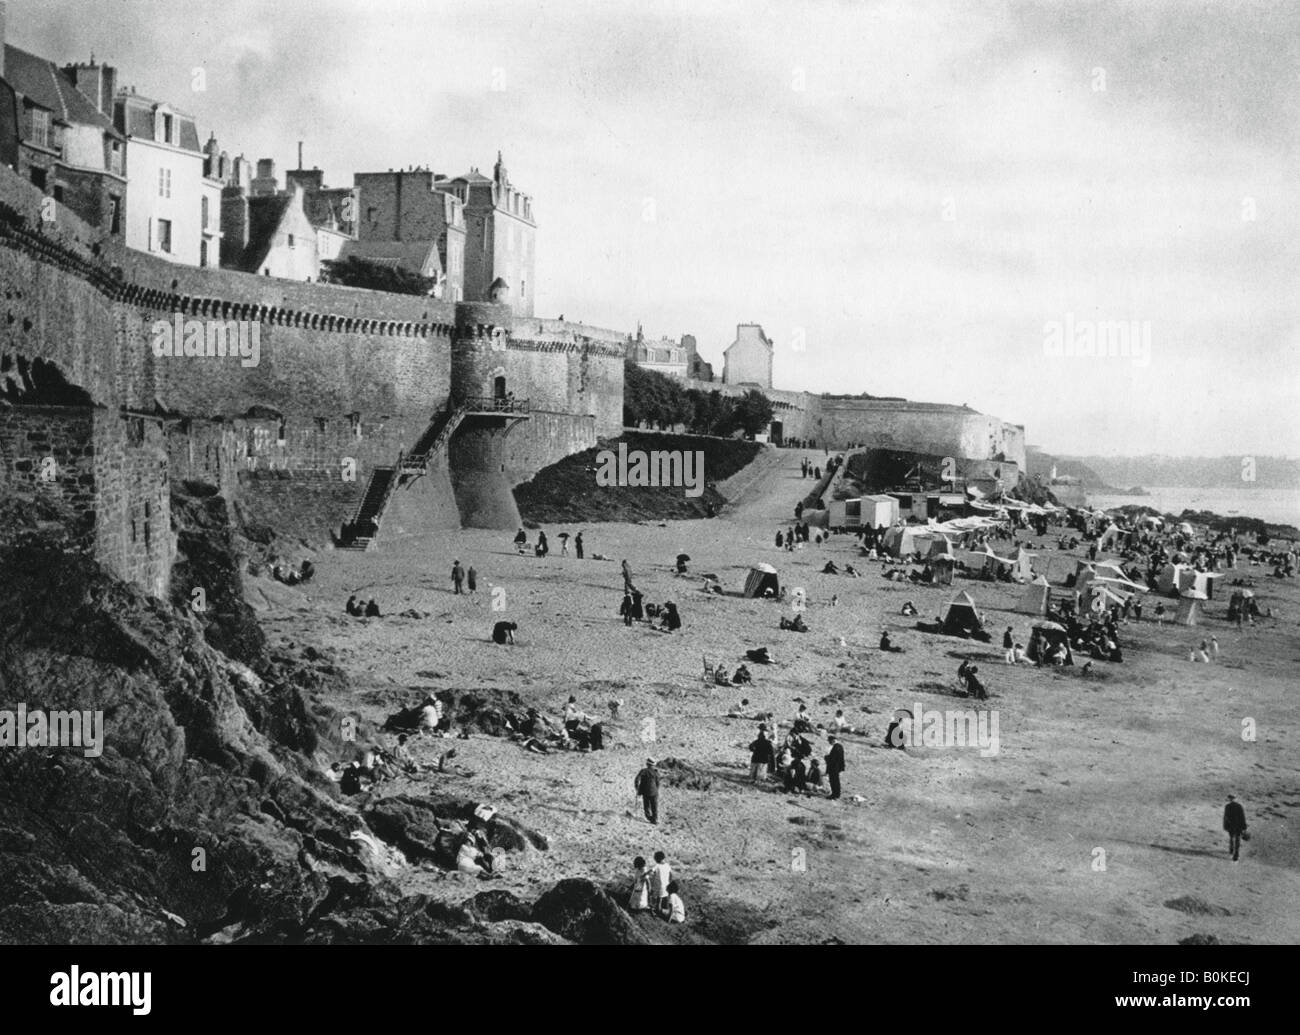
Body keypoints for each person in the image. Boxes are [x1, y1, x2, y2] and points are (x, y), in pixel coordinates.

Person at [635, 758, 660, 824]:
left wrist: (637, 788)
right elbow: (658, 783)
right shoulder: (656, 772)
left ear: (647, 764)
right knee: (654, 806)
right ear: (653, 765)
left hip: (645, 792)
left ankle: (650, 818)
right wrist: (656, 789)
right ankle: (654, 819)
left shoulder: (643, 771)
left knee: (646, 806)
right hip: (654, 791)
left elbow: (637, 779)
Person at [1223, 795, 1248, 862]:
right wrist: (1244, 826)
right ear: (1235, 799)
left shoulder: (1227, 806)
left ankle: (1231, 850)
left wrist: (1225, 826)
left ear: (1229, 799)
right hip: (1238, 826)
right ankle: (1236, 854)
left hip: (1231, 825)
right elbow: (1243, 817)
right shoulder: (1239, 806)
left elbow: (1225, 817)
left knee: (1231, 838)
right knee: (1237, 839)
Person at [825, 734, 845, 799]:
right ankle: (836, 794)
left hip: (834, 767)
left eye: (830, 741)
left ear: (833, 740)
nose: (829, 743)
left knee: (834, 781)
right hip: (837, 767)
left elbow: (833, 758)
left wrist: (826, 758)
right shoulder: (839, 746)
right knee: (835, 781)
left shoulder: (836, 747)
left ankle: (835, 794)